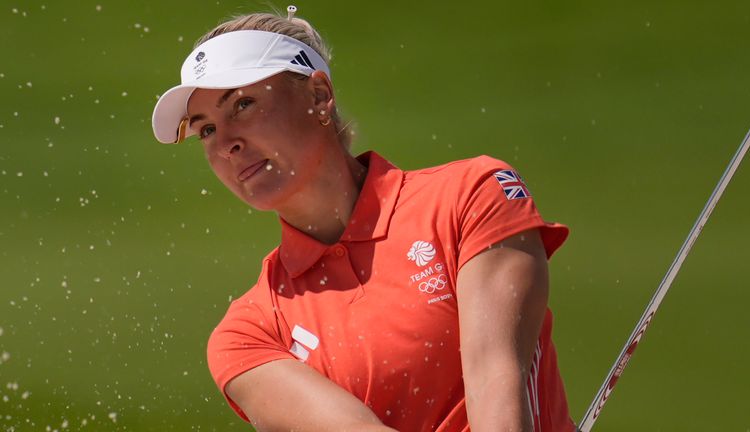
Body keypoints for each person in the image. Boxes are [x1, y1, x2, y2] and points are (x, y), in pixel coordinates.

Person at [151, 7, 574, 432]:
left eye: (243, 104)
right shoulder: (249, 333)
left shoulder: (470, 195)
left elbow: (495, 380)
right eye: (206, 130)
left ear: (318, 95)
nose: (226, 144)